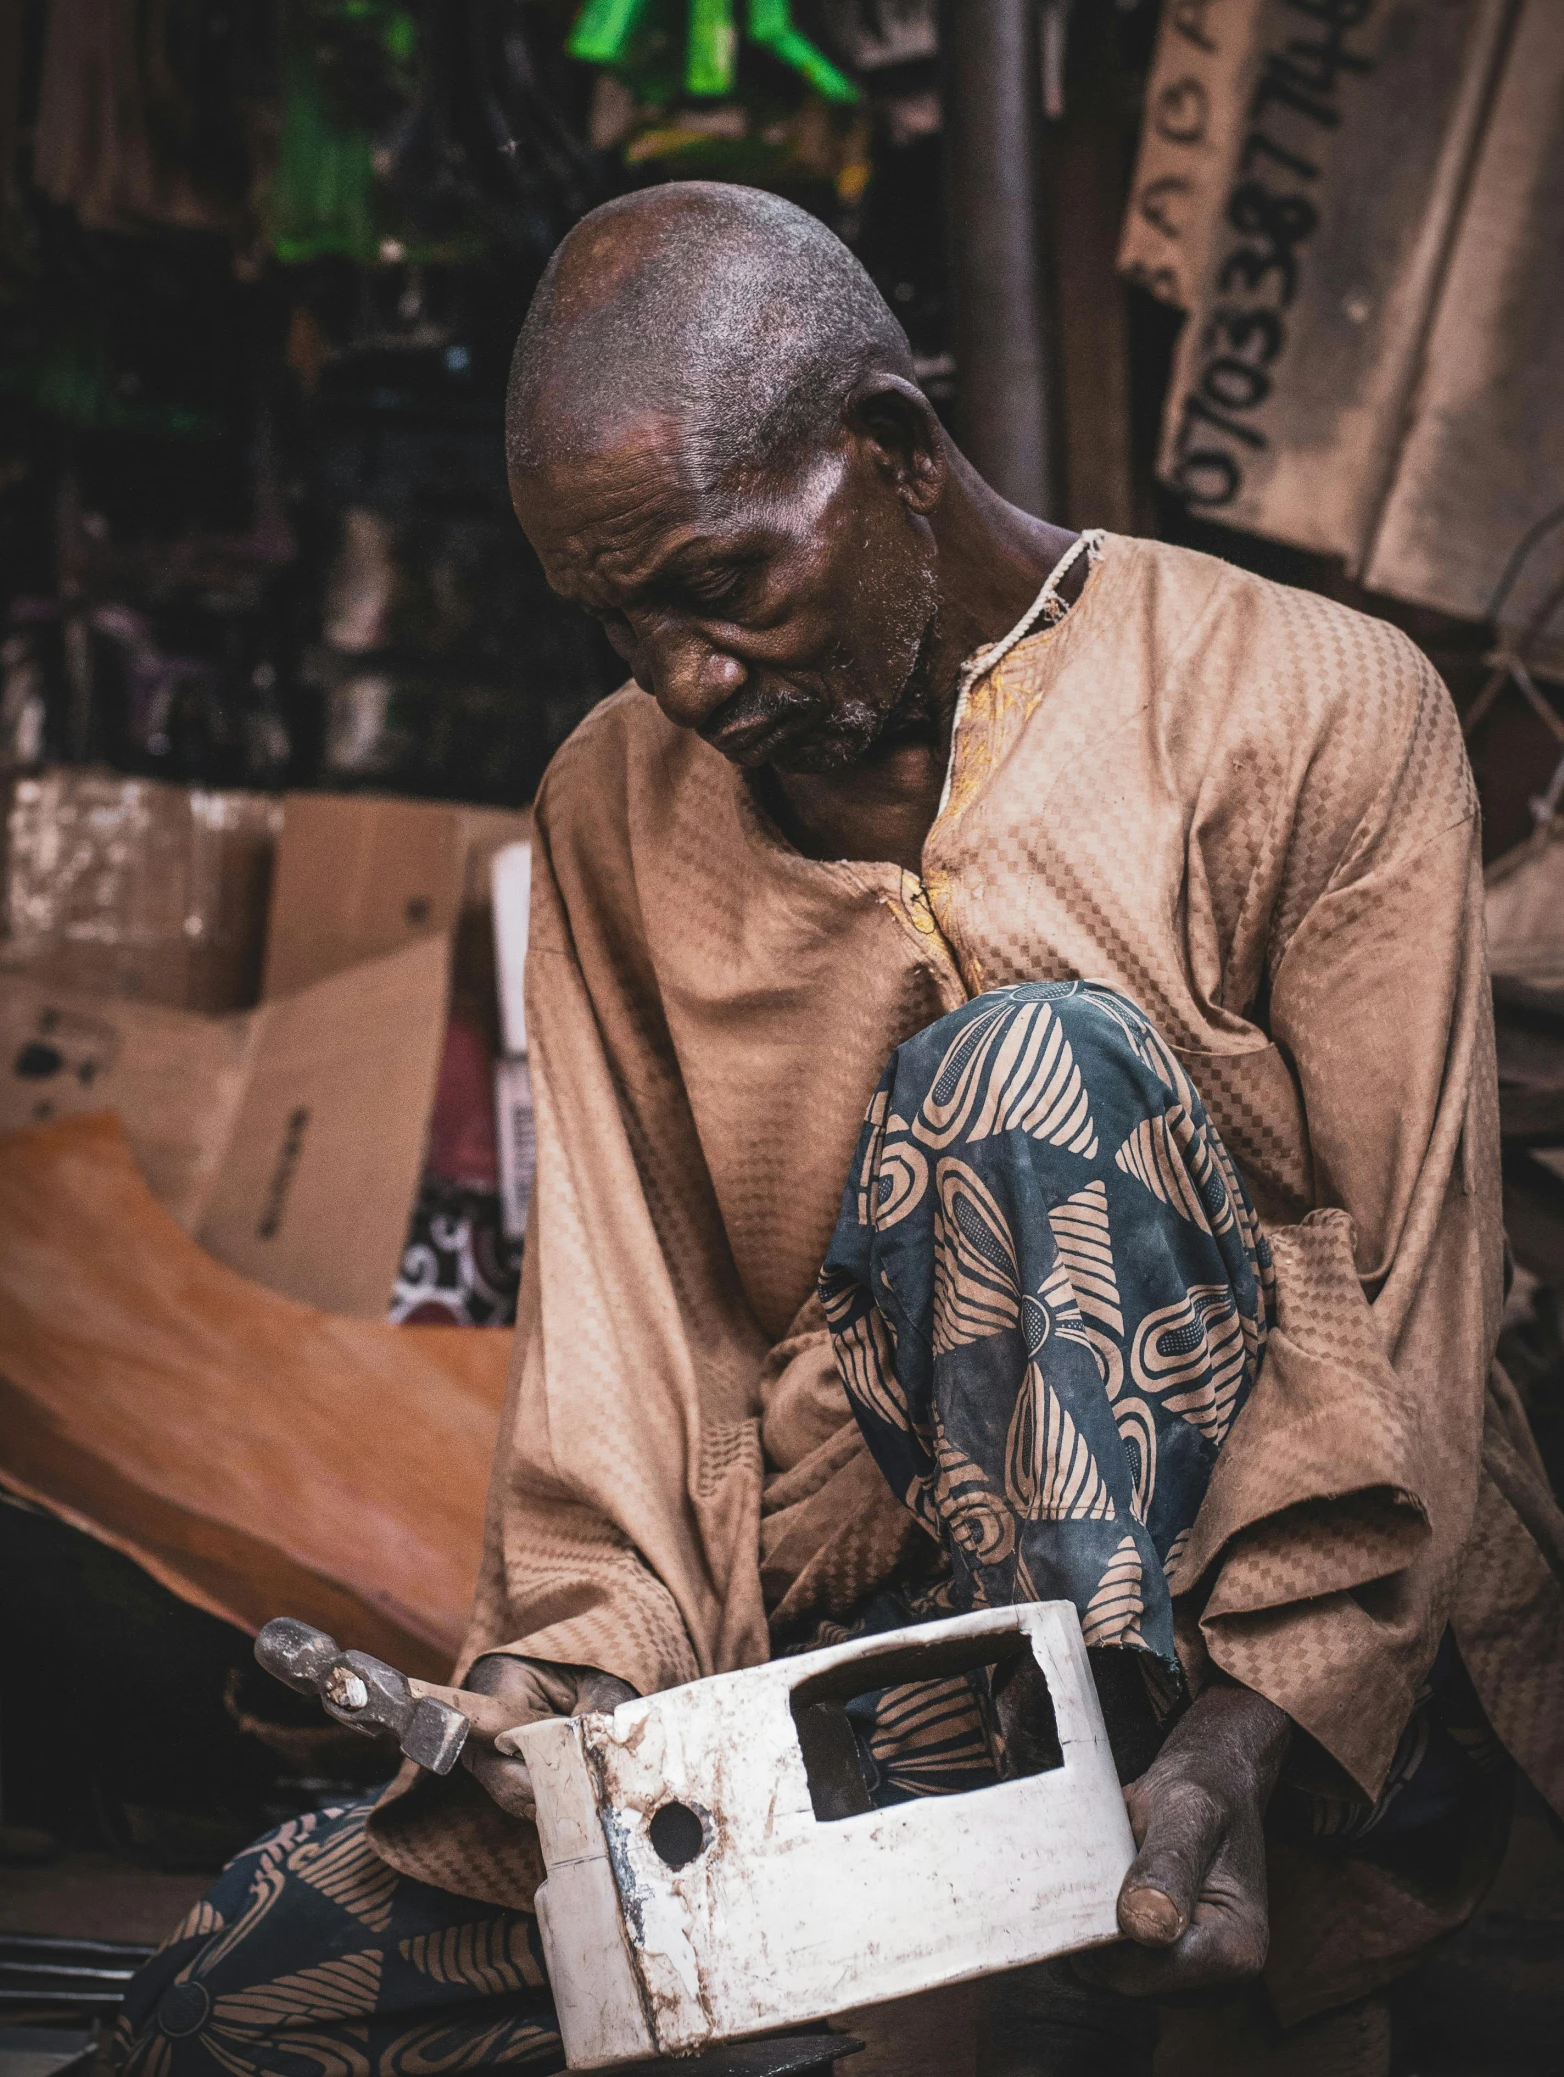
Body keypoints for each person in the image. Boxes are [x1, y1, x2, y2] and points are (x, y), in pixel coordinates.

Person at [119, 185, 1564, 2077]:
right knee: (241, 1989)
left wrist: (1232, 1738)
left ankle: (1075, 1883)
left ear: (888, 451)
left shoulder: (1310, 705)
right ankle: (946, 1905)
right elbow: (631, 1368)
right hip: (848, 1722)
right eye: (620, 619)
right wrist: (539, 1707)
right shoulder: (611, 807)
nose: (686, 678)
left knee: (1021, 1080)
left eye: (724, 583)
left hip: (1299, 1713)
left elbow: (1412, 1320)